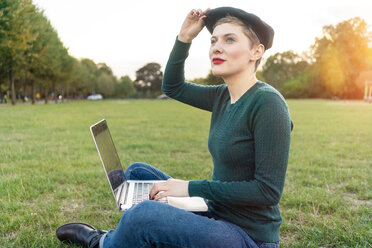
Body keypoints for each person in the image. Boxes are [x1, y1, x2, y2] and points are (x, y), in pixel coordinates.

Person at [56, 7, 292, 248]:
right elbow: (172, 86)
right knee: (138, 173)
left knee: (144, 215)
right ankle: (135, 236)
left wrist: (189, 188)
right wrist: (184, 39)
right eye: (213, 40)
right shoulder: (223, 96)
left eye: (229, 39)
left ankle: (102, 242)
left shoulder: (268, 103)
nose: (216, 47)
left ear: (256, 51)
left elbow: (267, 192)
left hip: (248, 236)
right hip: (215, 211)